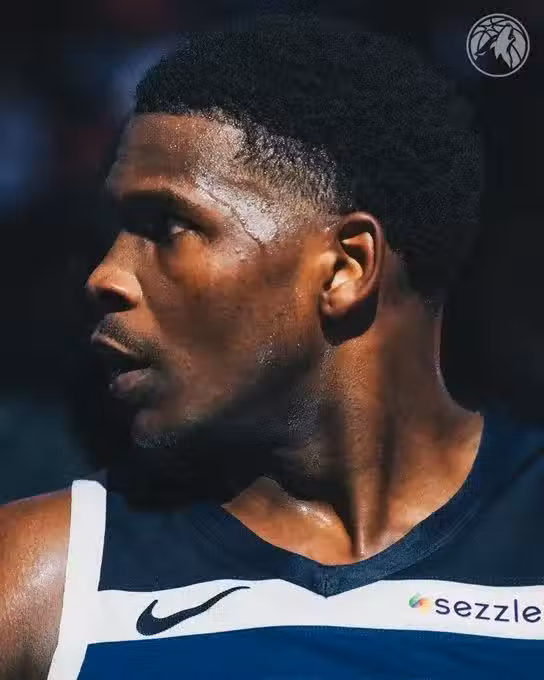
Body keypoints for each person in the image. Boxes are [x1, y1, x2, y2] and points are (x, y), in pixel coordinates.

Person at [1, 15, 543, 680]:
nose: (105, 276)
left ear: (345, 269)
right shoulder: (40, 579)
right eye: (114, 231)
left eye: (166, 226)